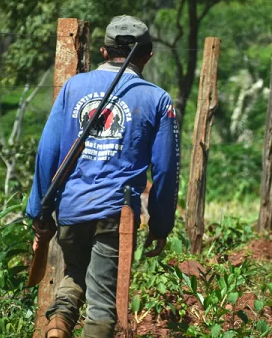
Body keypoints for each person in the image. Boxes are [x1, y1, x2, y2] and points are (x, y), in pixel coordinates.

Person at [26, 15, 180, 338]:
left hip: (71, 208)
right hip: (116, 215)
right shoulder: (158, 99)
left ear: (103, 51)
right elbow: (165, 169)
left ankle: (56, 328)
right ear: (148, 55)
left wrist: (39, 212)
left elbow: (47, 151)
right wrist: (161, 224)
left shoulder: (72, 88)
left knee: (74, 275)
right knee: (102, 307)